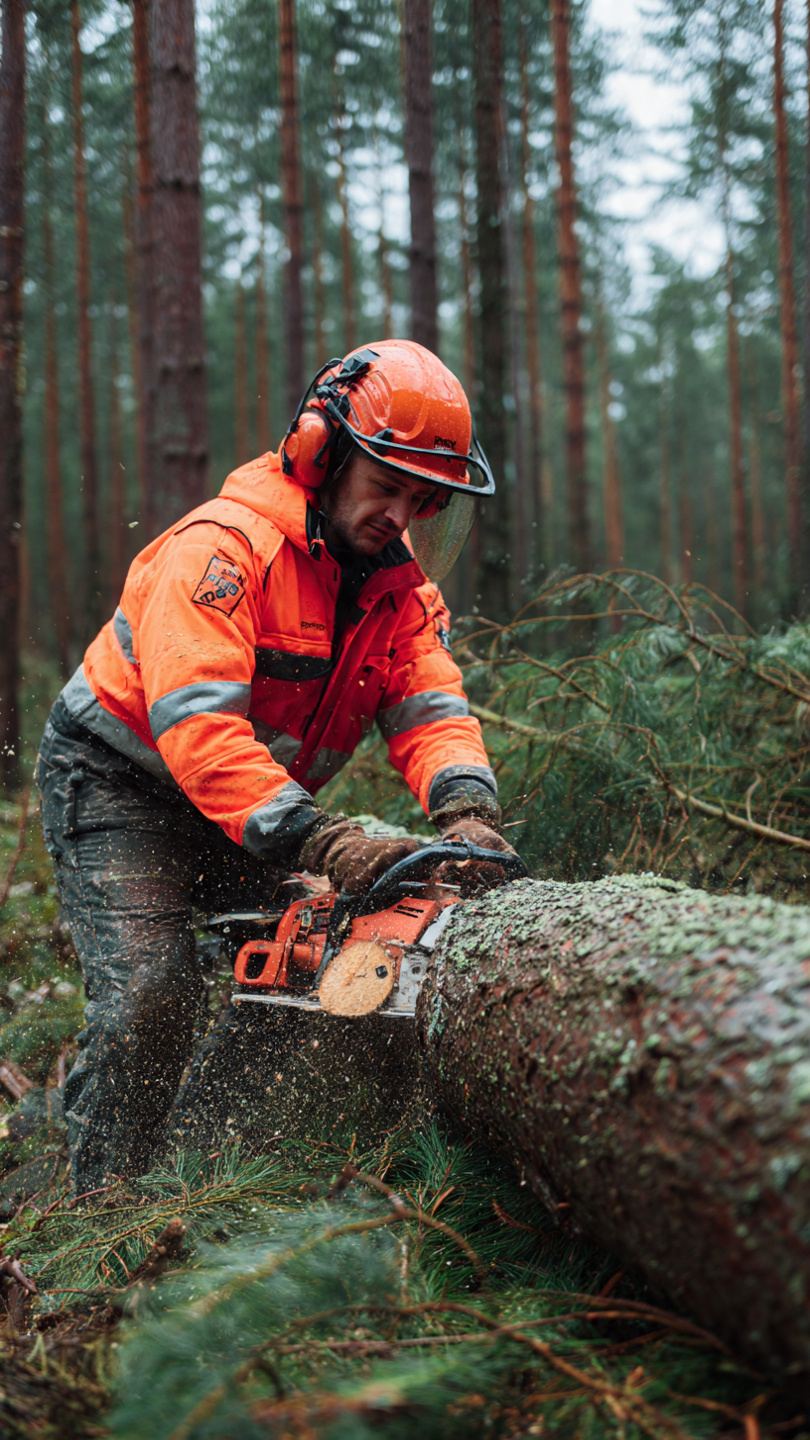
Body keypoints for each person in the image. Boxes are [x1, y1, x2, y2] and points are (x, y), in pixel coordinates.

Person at [36, 339, 516, 1192]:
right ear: (321, 455)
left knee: (309, 966)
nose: (401, 517)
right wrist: (321, 840)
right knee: (153, 991)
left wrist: (466, 808)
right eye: (386, 488)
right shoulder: (222, 553)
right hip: (123, 780)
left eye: (422, 499)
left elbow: (432, 707)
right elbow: (201, 734)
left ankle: (207, 1159)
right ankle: (100, 1199)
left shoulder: (398, 595)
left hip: (250, 801)